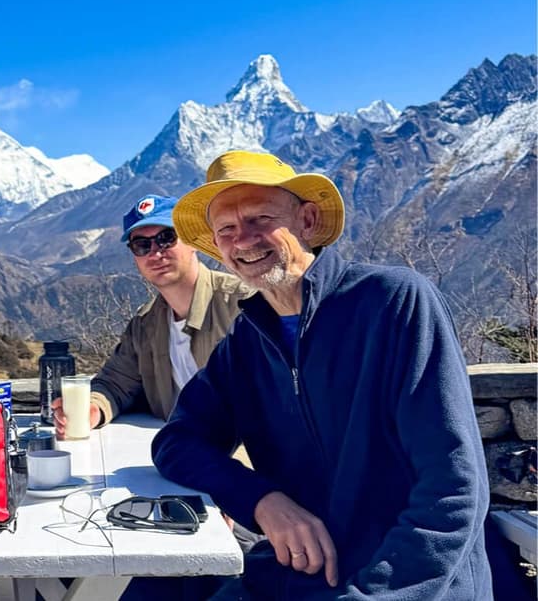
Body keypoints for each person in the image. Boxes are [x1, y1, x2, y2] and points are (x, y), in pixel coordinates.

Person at [152, 150, 492, 599]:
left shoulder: (393, 303)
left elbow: (453, 490)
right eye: (227, 230)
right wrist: (262, 501)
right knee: (151, 587)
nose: (243, 240)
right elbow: (177, 442)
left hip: (404, 584)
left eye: (260, 219)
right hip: (295, 575)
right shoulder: (247, 341)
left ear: (308, 221)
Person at [52, 194, 252, 439]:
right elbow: (115, 383)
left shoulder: (244, 306)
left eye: (166, 238)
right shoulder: (145, 326)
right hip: (181, 448)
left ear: (192, 241)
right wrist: (93, 410)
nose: (155, 253)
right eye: (142, 245)